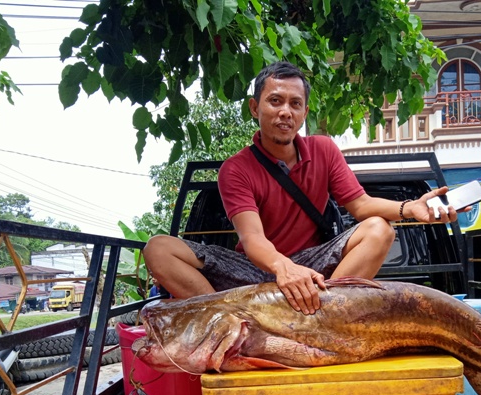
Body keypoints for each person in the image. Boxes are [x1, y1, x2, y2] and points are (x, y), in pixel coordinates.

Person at [143, 61, 460, 315]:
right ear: (255, 108)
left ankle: (322, 314)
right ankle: (222, 320)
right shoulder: (236, 169)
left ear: (305, 113)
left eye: (295, 104)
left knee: (380, 229)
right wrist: (284, 269)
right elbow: (252, 238)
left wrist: (410, 208)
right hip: (252, 270)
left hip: (315, 267)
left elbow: (361, 206)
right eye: (275, 101)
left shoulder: (324, 149)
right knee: (157, 248)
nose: (285, 111)